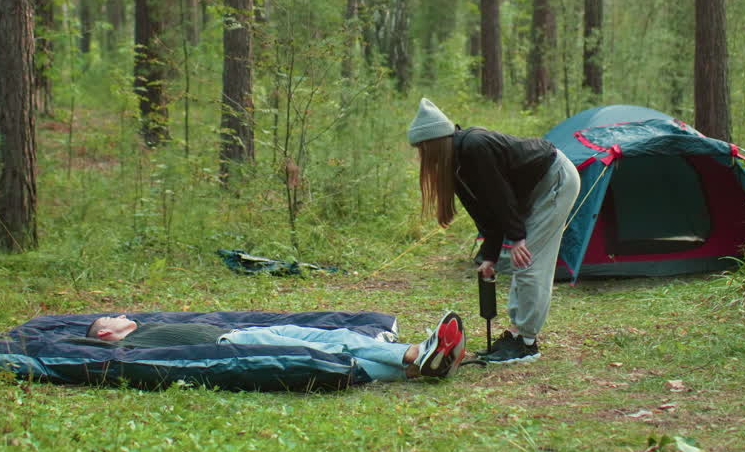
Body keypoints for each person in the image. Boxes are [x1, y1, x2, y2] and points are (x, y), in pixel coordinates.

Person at [408, 98, 581, 363]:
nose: (421, 157)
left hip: (554, 180)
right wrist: (489, 254)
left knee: (529, 262)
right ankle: (515, 334)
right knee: (519, 263)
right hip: (532, 190)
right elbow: (485, 212)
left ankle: (526, 342)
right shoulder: (456, 165)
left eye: (422, 149)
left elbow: (501, 196)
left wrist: (518, 238)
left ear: (433, 143)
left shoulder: (474, 147)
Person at [75, 310, 467, 381]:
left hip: (242, 335)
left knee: (333, 344)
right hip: (236, 342)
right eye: (111, 318)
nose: (120, 313)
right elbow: (77, 345)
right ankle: (416, 352)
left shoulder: (147, 329)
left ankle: (421, 368)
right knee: (333, 347)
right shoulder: (127, 347)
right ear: (106, 334)